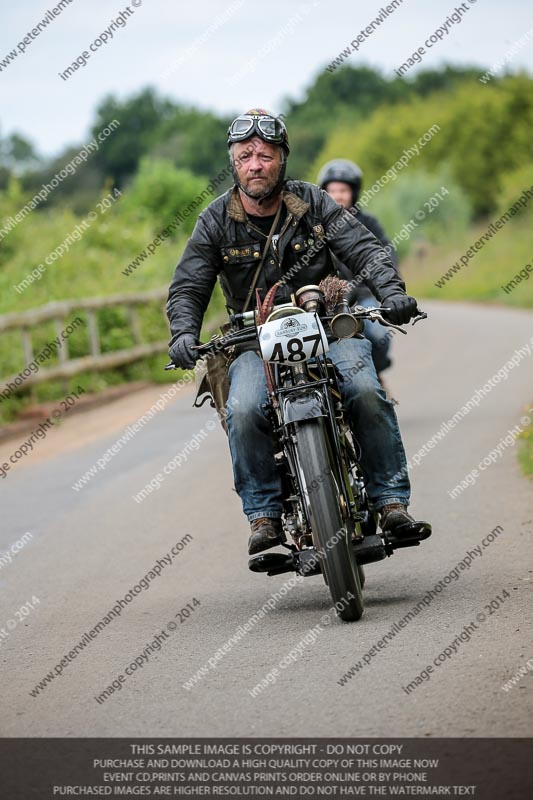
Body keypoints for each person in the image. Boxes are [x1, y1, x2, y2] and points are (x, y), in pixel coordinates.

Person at [167, 108, 426, 556]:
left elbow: (363, 249)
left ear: (281, 159)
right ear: (233, 162)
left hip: (327, 325)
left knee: (365, 388)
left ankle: (390, 504)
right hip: (252, 339)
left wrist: (392, 292)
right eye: (245, 155)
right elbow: (189, 284)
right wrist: (183, 333)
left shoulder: (315, 203)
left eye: (265, 155)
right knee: (245, 409)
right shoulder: (213, 221)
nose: (255, 164)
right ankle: (264, 515)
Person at [318, 159, 397, 378]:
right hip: (328, 300)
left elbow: (386, 252)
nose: (338, 196)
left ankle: (375, 375)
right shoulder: (316, 226)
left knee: (379, 335)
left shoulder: (368, 223)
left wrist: (391, 285)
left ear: (354, 192)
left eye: (343, 190)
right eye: (332, 190)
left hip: (364, 295)